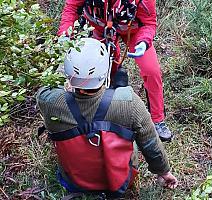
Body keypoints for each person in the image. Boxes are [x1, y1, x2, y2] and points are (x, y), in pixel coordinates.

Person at [36, 38, 178, 198]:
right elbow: (151, 143)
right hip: (121, 182)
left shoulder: (49, 100)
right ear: (105, 71)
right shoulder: (129, 101)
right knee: (135, 132)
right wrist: (163, 172)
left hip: (73, 182)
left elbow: (44, 87)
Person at [57, 0, 173, 142]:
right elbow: (72, 7)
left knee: (151, 70)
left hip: (133, 30)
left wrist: (143, 42)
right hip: (100, 27)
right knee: (102, 68)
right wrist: (65, 33)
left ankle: (157, 120)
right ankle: (105, 110)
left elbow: (148, 22)